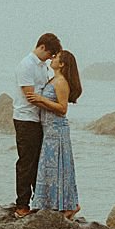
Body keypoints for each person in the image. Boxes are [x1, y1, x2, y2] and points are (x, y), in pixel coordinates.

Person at [28, 49, 82, 219]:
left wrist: (41, 99)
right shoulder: (53, 79)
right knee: (50, 168)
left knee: (59, 167)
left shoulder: (61, 82)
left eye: (56, 57)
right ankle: (54, 204)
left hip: (57, 130)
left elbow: (62, 109)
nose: (53, 59)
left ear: (62, 64)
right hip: (49, 129)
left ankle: (71, 206)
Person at [13, 32, 61, 217]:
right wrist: (56, 107)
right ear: (42, 47)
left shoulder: (43, 66)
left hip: (39, 119)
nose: (51, 58)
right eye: (50, 53)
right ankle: (21, 205)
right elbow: (31, 97)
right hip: (26, 119)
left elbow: (43, 93)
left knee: (38, 163)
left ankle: (38, 200)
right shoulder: (26, 65)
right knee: (26, 162)